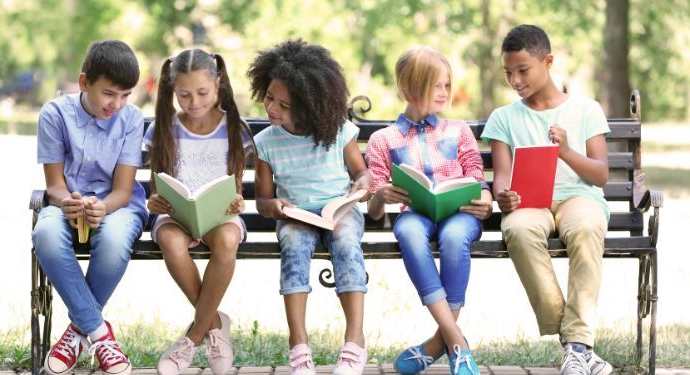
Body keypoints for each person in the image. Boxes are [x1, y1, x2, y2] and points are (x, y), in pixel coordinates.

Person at [481, 24, 613, 375]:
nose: (515, 79)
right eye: (508, 72)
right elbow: (502, 179)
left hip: (579, 198)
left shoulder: (586, 109)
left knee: (586, 227)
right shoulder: (504, 118)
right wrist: (503, 196)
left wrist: (567, 151)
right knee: (519, 230)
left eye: (523, 70)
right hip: (530, 203)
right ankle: (575, 342)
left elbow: (600, 174)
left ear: (548, 61)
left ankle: (577, 345)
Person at [365, 46, 492, 375]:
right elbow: (376, 212)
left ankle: (440, 344)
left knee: (453, 237)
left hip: (459, 212)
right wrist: (381, 194)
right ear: (409, 88)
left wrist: (486, 199)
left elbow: (477, 177)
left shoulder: (458, 129)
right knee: (407, 230)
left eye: (446, 85)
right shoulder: (383, 139)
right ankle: (456, 342)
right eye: (435, 85)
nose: (443, 92)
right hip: (415, 214)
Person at [247, 39, 372, 375]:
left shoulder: (338, 132)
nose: (273, 109)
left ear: (310, 106)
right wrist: (272, 205)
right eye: (270, 98)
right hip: (296, 214)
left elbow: (362, 173)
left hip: (340, 211)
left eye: (285, 105)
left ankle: (354, 341)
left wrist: (361, 186)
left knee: (346, 244)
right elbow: (261, 200)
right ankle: (299, 344)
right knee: (294, 247)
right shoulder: (266, 143)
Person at [32, 40, 146, 375]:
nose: (118, 104)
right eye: (109, 93)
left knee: (112, 241)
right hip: (65, 203)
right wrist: (68, 201)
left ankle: (77, 332)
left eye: (126, 95)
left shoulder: (131, 118)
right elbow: (54, 186)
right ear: (84, 83)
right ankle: (99, 333)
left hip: (119, 205)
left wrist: (103, 207)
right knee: (46, 234)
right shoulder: (54, 115)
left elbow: (123, 191)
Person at [144, 49, 254, 375]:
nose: (193, 102)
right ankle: (215, 322)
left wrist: (237, 202)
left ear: (218, 85)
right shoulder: (166, 128)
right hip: (176, 216)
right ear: (172, 91)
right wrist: (154, 201)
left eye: (202, 93)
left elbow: (235, 189)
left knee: (227, 241)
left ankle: (192, 339)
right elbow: (156, 186)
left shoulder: (235, 127)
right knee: (171, 241)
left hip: (219, 215)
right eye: (184, 95)